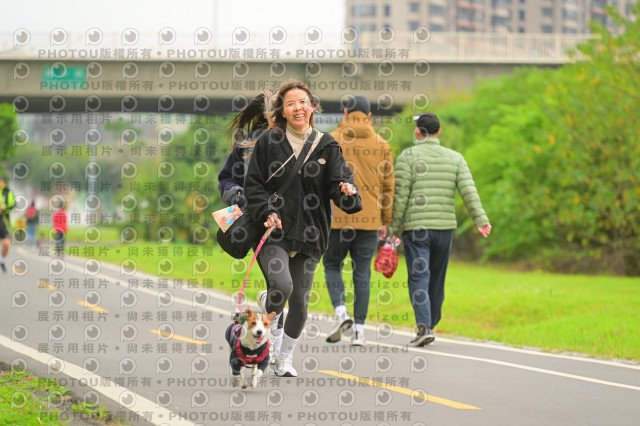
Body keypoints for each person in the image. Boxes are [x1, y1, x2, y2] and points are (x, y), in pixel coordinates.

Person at [244, 80, 363, 377]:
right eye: (290, 104)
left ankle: (285, 358)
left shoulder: (327, 145)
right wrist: (267, 211)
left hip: (311, 233)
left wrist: (348, 193)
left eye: (303, 102)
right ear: (283, 112)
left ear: (312, 107)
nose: (298, 108)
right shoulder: (269, 142)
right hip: (273, 230)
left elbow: (340, 185)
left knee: (299, 302)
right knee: (282, 286)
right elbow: (253, 185)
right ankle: (268, 342)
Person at [391, 113, 492, 347]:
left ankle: (424, 326)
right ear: (439, 132)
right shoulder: (455, 158)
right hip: (445, 229)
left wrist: (393, 228)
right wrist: (481, 220)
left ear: (418, 132)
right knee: (436, 278)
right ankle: (431, 323)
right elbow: (469, 191)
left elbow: (400, 196)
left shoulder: (407, 157)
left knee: (419, 276)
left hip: (417, 229)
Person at [217, 90, 286, 362]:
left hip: (298, 226)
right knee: (279, 283)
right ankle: (276, 348)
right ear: (267, 115)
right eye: (276, 109)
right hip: (262, 225)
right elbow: (226, 180)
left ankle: (268, 302)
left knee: (291, 290)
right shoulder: (247, 144)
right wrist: (236, 193)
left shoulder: (305, 139)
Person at [323, 95, 395, 346]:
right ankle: (360, 333)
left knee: (332, 265)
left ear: (345, 113)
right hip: (369, 220)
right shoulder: (382, 144)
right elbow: (388, 187)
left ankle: (341, 312)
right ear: (369, 116)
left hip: (337, 219)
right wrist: (385, 220)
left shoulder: (330, 140)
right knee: (362, 273)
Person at [0, 176, 15, 273]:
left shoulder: (8, 192)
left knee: (6, 244)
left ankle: (2, 260)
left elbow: (13, 205)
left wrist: (3, 207)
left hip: (3, 221)